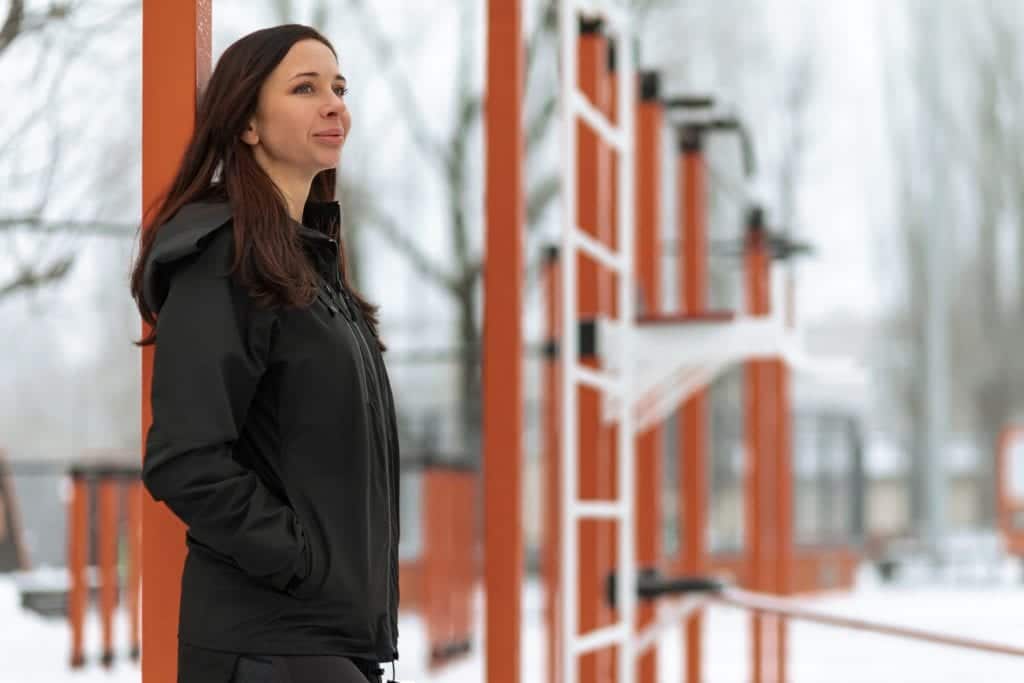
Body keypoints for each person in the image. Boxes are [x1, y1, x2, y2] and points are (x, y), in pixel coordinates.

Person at [129, 24, 401, 683]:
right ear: (247, 122)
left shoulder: (313, 266)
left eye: (338, 86)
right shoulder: (223, 257)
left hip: (325, 642)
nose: (334, 103)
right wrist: (301, 561)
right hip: (268, 644)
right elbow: (186, 460)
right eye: (305, 88)